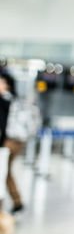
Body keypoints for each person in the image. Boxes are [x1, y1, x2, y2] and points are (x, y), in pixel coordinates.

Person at [0, 71, 24, 214]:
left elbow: (2, 126)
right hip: (15, 141)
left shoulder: (4, 101)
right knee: (5, 172)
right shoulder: (14, 100)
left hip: (8, 143)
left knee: (3, 172)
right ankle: (17, 201)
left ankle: (15, 201)